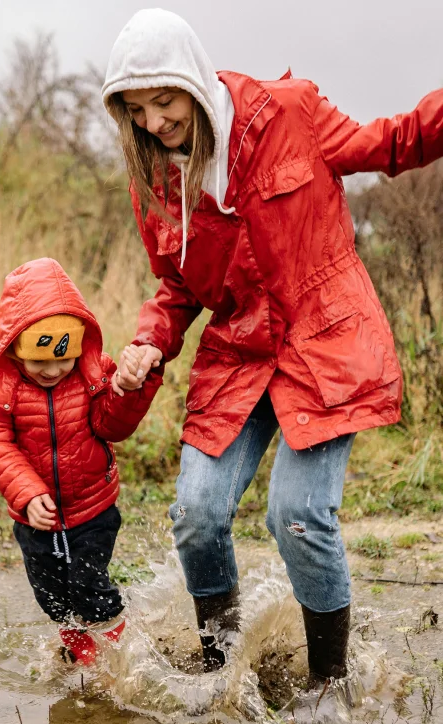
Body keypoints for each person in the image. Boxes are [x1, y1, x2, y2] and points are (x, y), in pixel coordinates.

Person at [102, 9, 443, 680]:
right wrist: (148, 344)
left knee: (298, 516)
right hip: (239, 356)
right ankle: (218, 672)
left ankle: (328, 684)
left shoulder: (289, 112)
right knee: (197, 514)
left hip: (325, 342)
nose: (154, 122)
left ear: (194, 80)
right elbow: (176, 289)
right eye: (136, 109)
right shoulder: (156, 184)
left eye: (164, 100)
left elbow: (394, 142)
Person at [0, 257, 162, 665]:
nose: (53, 370)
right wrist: (26, 492)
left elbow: (112, 426)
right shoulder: (1, 387)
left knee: (90, 587)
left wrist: (127, 391)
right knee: (52, 597)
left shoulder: (93, 374)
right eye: (39, 360)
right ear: (15, 348)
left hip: (92, 509)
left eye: (63, 358)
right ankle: (81, 653)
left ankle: (118, 657)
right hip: (35, 517)